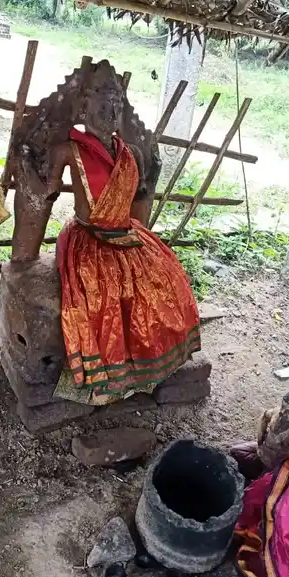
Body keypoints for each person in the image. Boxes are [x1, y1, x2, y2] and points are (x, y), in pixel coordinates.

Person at [45, 68, 200, 405]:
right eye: (102, 103)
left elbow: (136, 202)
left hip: (126, 233)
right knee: (102, 296)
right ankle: (108, 377)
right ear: (83, 108)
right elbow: (44, 193)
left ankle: (147, 370)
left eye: (116, 104)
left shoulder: (131, 154)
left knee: (163, 283)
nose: (110, 111)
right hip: (89, 238)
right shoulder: (69, 150)